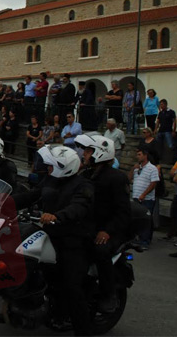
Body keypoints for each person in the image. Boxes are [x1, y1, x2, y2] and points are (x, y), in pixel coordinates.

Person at [12, 145, 94, 336]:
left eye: (50, 165)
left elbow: (79, 207)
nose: (47, 169)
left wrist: (57, 216)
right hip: (50, 235)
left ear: (63, 166)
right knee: (23, 262)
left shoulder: (83, 186)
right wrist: (2, 202)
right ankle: (20, 307)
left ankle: (84, 330)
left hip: (73, 240)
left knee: (71, 286)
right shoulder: (51, 180)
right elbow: (30, 196)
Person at [75, 134, 130, 313]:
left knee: (100, 251)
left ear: (100, 153)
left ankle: (109, 294)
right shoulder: (86, 173)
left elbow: (123, 211)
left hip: (108, 229)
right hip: (87, 226)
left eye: (89, 151)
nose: (85, 154)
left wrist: (107, 231)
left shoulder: (116, 178)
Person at [129, 147, 159, 249]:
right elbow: (129, 179)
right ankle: (136, 238)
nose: (137, 157)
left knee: (146, 220)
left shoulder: (152, 168)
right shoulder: (137, 168)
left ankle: (145, 240)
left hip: (147, 199)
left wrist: (144, 194)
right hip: (136, 196)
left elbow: (153, 183)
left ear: (145, 155)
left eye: (139, 154)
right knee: (136, 219)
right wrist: (133, 168)